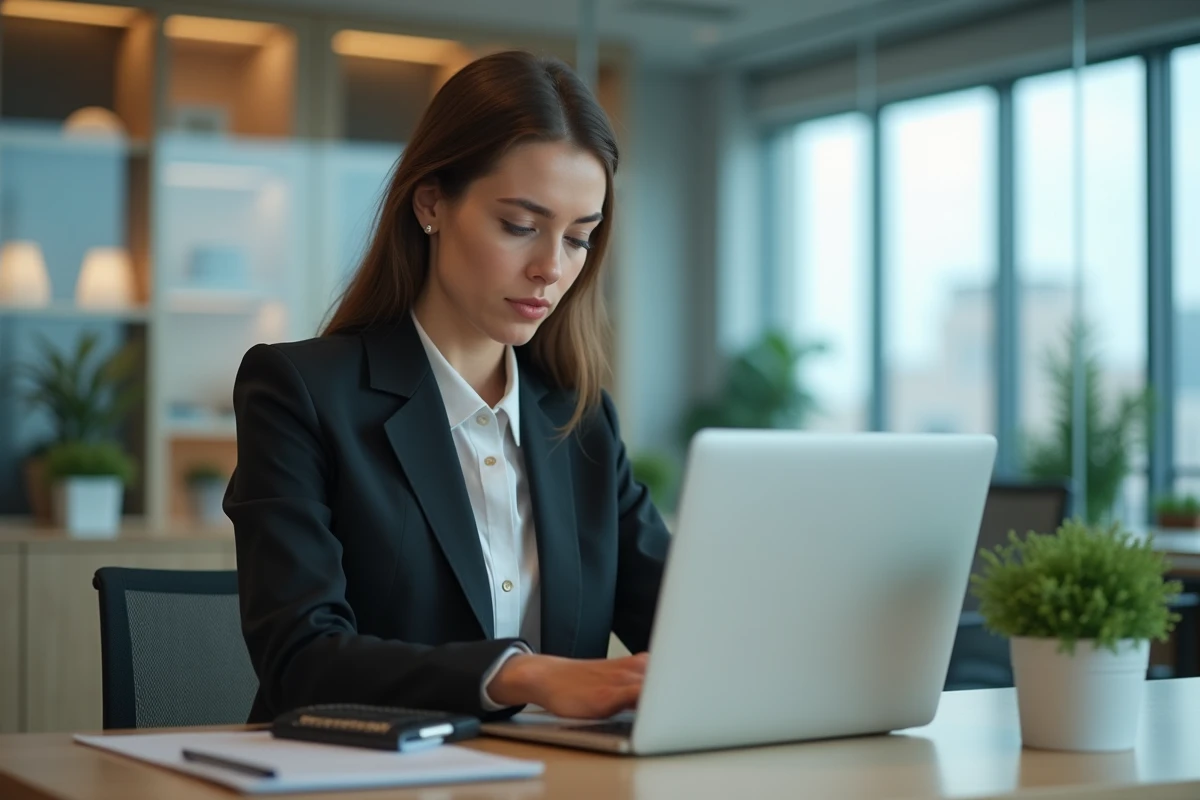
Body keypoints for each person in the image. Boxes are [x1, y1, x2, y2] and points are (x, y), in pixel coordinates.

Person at [225, 50, 671, 724]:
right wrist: (520, 676)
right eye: (520, 226)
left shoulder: (580, 422)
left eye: (579, 238)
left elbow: (683, 628)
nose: (551, 267)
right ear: (431, 203)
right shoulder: (301, 392)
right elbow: (301, 659)